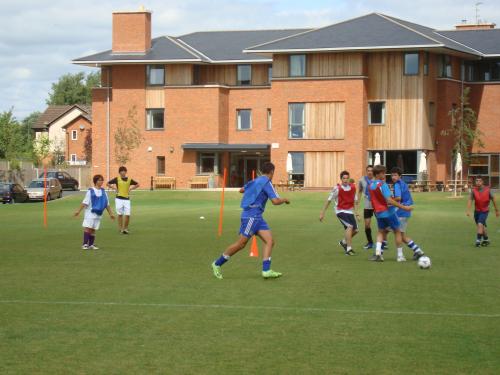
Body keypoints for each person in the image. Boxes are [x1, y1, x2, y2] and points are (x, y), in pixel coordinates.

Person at [211, 162, 290, 280]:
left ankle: (266, 270)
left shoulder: (255, 181)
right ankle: (217, 264)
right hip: (251, 217)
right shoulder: (267, 183)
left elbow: (242, 190)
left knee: (270, 241)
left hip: (258, 217)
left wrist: (253, 192)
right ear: (272, 172)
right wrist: (284, 199)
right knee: (241, 244)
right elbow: (275, 201)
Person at [368, 165, 412, 262]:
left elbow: (372, 200)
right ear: (378, 174)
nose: (385, 174)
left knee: (381, 232)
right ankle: (400, 256)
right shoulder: (383, 185)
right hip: (389, 212)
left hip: (378, 213)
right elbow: (389, 200)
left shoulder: (370, 185)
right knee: (397, 232)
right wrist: (404, 207)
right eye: (383, 173)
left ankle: (378, 254)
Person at [319, 170, 359, 256]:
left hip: (349, 211)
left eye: (347, 178)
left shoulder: (353, 188)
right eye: (344, 178)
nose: (345, 180)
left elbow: (355, 201)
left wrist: (357, 213)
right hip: (340, 210)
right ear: (341, 179)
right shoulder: (337, 189)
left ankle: (343, 242)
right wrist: (322, 213)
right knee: (349, 226)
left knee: (356, 230)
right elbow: (329, 200)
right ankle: (349, 249)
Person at [390, 167, 425, 261]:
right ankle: (418, 251)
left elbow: (398, 198)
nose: (393, 177)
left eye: (395, 175)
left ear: (399, 176)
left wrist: (388, 201)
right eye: (392, 175)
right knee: (401, 234)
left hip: (401, 211)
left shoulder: (397, 184)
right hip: (405, 211)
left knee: (394, 232)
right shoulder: (403, 183)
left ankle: (382, 251)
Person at [74, 174, 115, 250]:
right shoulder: (90, 191)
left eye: (102, 180)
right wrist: (78, 211)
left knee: (93, 229)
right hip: (90, 213)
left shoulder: (104, 192)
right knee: (88, 227)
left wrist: (111, 214)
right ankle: (85, 244)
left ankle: (91, 244)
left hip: (98, 214)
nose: (101, 181)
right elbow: (85, 202)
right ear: (95, 181)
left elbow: (107, 204)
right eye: (100, 180)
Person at [466, 176, 499, 247]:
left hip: (484, 211)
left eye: (479, 181)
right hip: (476, 211)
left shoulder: (488, 190)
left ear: (482, 182)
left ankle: (478, 241)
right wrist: (468, 210)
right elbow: (470, 200)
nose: (478, 182)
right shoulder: (473, 191)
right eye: (477, 181)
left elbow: (494, 199)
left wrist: (497, 210)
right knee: (480, 226)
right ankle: (486, 239)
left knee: (480, 224)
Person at [107, 166, 139, 234]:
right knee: (120, 214)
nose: (123, 172)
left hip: (127, 199)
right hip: (118, 199)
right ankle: (121, 229)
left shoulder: (129, 179)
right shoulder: (117, 179)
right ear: (119, 172)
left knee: (127, 214)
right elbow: (107, 183)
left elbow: (137, 184)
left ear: (126, 172)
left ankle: (125, 228)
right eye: (121, 171)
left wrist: (131, 189)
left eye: (124, 171)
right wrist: (114, 188)